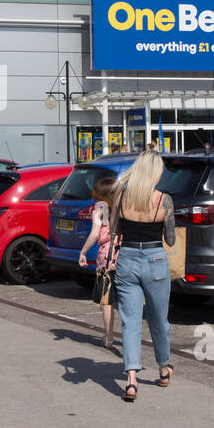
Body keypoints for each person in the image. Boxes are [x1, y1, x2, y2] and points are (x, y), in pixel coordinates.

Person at [111, 149, 176, 402]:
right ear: (156, 173)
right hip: (155, 260)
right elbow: (170, 240)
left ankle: (131, 380)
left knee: (130, 322)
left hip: (127, 259)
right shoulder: (164, 200)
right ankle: (163, 368)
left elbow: (116, 229)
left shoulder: (122, 196)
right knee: (159, 320)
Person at [77, 176, 119, 350]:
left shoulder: (100, 210)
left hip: (106, 257)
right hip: (124, 255)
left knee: (107, 300)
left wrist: (83, 252)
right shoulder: (121, 207)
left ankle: (109, 337)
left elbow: (95, 234)